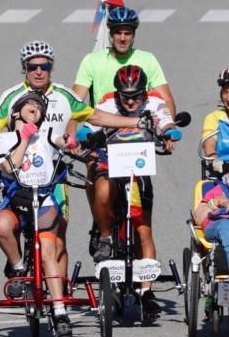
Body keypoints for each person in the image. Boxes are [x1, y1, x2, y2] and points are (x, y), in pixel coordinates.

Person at [0, 41, 144, 283]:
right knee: (11, 226)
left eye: (44, 66)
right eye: (32, 66)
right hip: (20, 175)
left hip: (54, 176)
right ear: (24, 68)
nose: (38, 71)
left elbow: (95, 116)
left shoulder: (64, 96)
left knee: (57, 239)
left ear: (51, 68)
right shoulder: (11, 97)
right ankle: (18, 262)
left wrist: (135, 123)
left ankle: (60, 299)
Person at [78, 64, 182, 317]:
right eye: (126, 96)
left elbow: (166, 123)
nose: (132, 101)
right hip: (110, 165)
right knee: (101, 191)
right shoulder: (107, 102)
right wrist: (85, 136)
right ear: (118, 93)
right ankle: (105, 237)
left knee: (143, 229)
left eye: (136, 96)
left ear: (144, 93)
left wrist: (169, 133)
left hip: (138, 169)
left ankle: (146, 291)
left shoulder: (154, 102)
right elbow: (87, 126)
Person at [0, 92, 74, 337]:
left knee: (48, 251)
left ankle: (60, 312)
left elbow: (62, 141)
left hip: (43, 201)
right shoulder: (4, 139)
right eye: (30, 105)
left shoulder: (47, 134)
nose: (36, 108)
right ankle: (18, 267)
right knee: (2, 224)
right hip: (17, 201)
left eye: (40, 107)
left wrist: (71, 142)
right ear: (17, 112)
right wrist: (24, 138)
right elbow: (11, 166)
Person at [72, 6, 176, 115]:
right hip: (102, 127)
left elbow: (167, 100)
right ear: (111, 34)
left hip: (140, 126)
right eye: (118, 33)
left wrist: (168, 127)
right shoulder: (91, 61)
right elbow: (75, 103)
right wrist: (70, 132)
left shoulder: (148, 59)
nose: (122, 38)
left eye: (127, 33)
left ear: (134, 35)